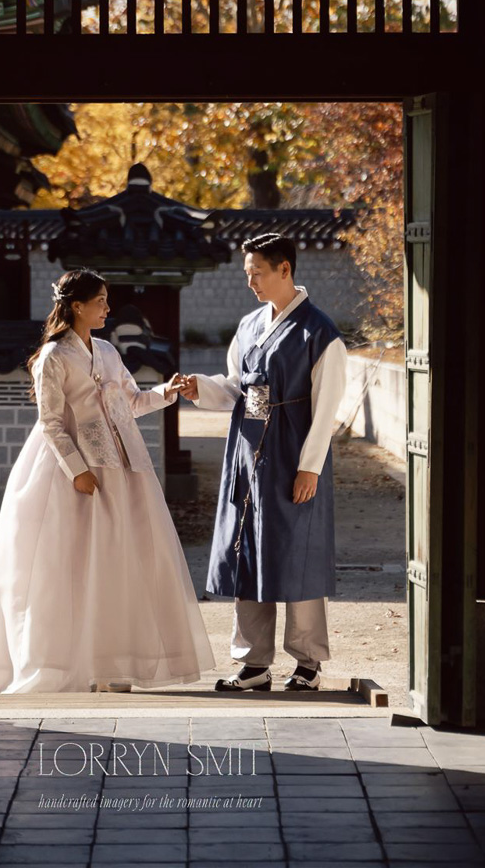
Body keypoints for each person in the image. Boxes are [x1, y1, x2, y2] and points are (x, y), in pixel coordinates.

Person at [0, 267, 215, 694]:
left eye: (107, 299)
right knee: (66, 564)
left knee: (117, 562)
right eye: (100, 300)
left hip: (121, 469)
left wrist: (168, 391)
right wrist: (77, 471)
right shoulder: (54, 357)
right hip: (71, 473)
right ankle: (62, 663)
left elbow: (132, 402)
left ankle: (110, 662)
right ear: (77, 306)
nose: (107, 307)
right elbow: (50, 422)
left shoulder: (106, 350)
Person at [177, 233, 349, 693]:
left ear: (285, 270)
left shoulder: (320, 333)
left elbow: (327, 406)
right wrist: (200, 388)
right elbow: (236, 387)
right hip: (247, 456)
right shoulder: (250, 324)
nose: (251, 281)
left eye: (258, 272)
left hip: (293, 453)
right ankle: (253, 663)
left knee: (299, 552)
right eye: (247, 273)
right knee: (246, 553)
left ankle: (308, 662)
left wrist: (310, 466)